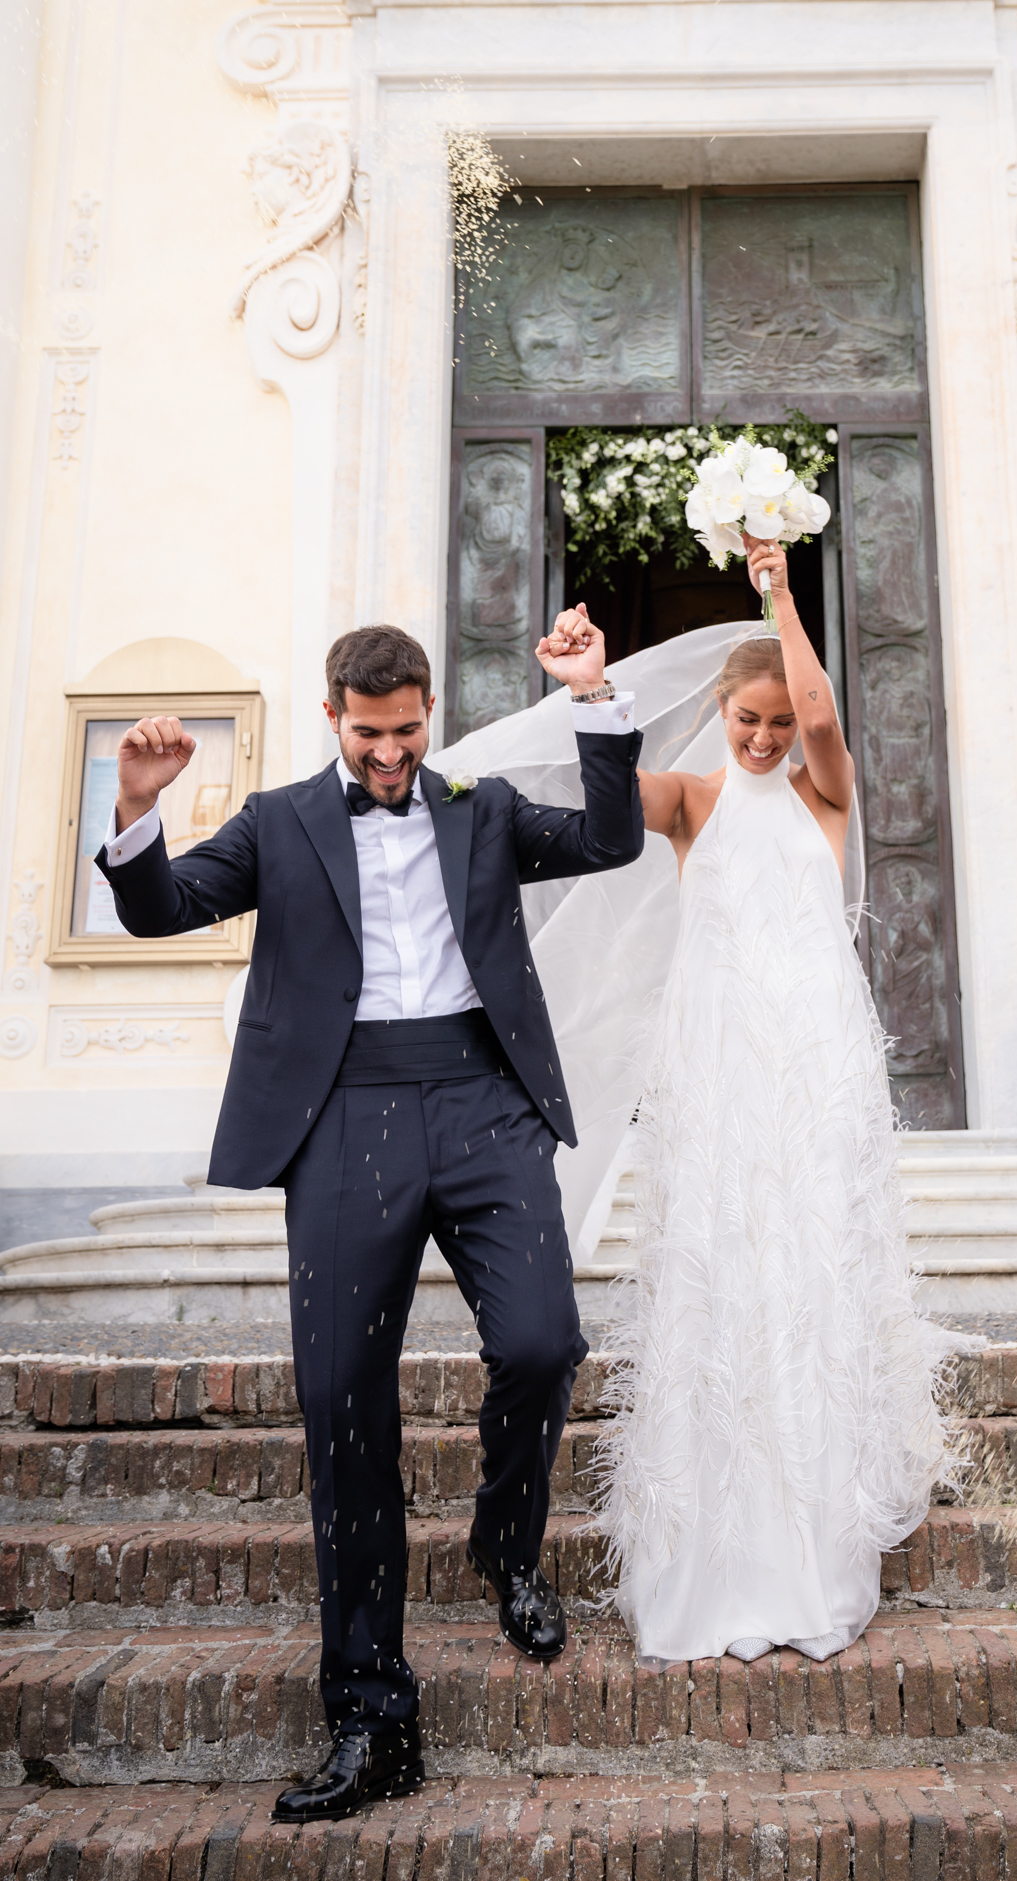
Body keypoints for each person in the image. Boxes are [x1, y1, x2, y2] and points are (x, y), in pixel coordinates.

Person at [95, 615, 642, 1821]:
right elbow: (162, 908)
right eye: (372, 734)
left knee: (546, 1343)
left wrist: (594, 694)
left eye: (409, 732)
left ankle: (506, 1545)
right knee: (345, 1406)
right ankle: (370, 1716)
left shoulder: (481, 805)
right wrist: (135, 804)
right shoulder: (279, 824)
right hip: (343, 1117)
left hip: (485, 1103)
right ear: (333, 714)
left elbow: (612, 836)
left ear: (426, 714)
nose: (393, 755)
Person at [595, 534, 967, 1665]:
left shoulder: (824, 797)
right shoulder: (689, 803)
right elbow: (607, 785)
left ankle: (809, 1541)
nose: (762, 737)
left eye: (771, 720)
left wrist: (777, 593)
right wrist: (593, 690)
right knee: (721, 1277)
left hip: (812, 1068)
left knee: (806, 1283)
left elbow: (818, 714)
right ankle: (708, 1553)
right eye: (743, 719)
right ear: (715, 713)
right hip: (719, 1069)